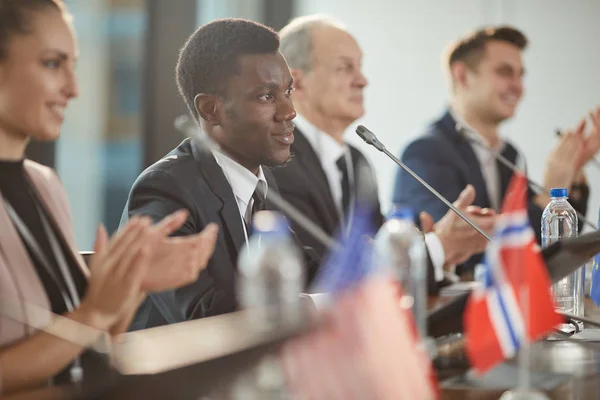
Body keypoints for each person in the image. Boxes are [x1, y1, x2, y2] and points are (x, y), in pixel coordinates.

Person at [0, 0, 218, 394]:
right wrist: (95, 310)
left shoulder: (45, 184)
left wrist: (132, 288)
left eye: (74, 65)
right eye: (52, 64)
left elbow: (90, 347)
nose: (74, 88)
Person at [121, 18, 321, 328]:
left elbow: (301, 270)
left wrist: (376, 264)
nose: (289, 112)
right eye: (267, 96)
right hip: (183, 375)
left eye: (288, 92)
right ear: (210, 109)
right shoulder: (165, 188)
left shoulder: (261, 184)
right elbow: (202, 316)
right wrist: (318, 306)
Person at [272, 15, 495, 288]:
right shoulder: (276, 160)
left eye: (360, 67)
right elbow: (323, 274)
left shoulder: (357, 162)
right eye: (345, 68)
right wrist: (437, 247)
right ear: (297, 82)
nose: (362, 80)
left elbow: (379, 262)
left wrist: (433, 252)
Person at [392, 25, 600, 275]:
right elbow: (465, 252)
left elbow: (548, 245)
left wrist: (570, 173)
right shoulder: (426, 151)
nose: (518, 86)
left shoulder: (509, 154)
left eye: (521, 75)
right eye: (505, 72)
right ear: (462, 75)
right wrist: (548, 196)